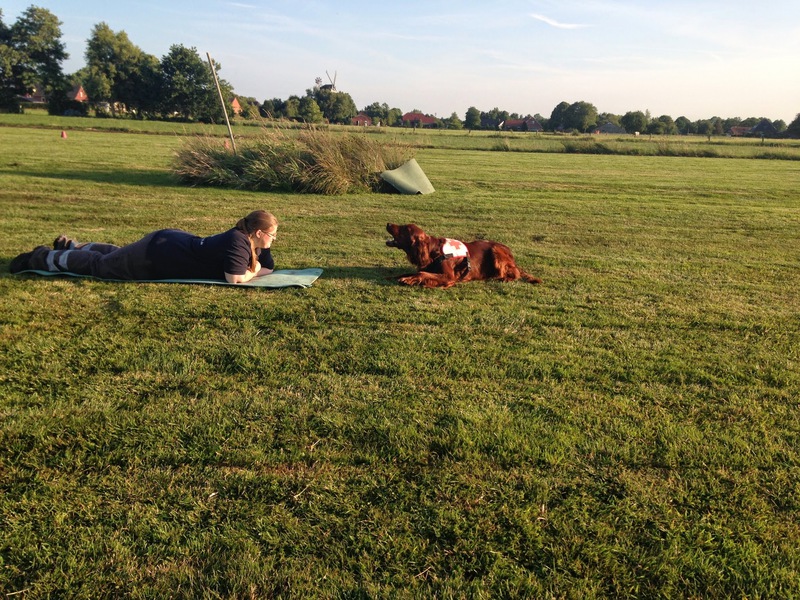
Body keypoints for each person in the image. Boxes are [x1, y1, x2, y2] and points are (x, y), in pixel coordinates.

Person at [9, 210, 278, 284]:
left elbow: (268, 267)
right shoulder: (237, 242)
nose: (274, 239)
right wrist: (253, 271)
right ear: (257, 232)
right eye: (271, 235)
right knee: (101, 267)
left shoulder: (246, 240)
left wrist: (262, 251)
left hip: (167, 243)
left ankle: (71, 246)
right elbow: (235, 278)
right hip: (158, 255)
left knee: (115, 254)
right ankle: (41, 258)